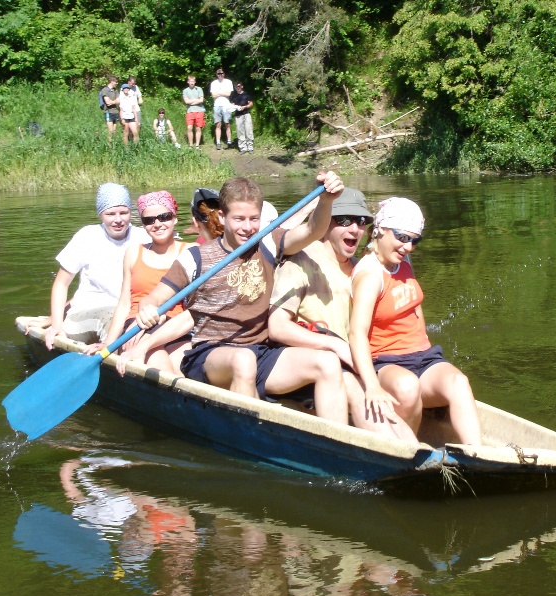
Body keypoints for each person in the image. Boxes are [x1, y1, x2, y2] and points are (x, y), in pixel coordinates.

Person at [135, 174, 350, 425]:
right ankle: (249, 435)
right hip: (210, 355)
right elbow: (154, 298)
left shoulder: (268, 243)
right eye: (238, 219)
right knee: (242, 360)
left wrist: (325, 201)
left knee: (327, 362)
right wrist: (148, 310)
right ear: (222, 217)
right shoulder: (195, 258)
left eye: (253, 219)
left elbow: (313, 230)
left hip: (261, 352)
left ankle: (336, 445)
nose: (247, 227)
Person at [269, 188, 417, 441]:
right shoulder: (301, 261)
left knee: (403, 388)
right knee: (356, 389)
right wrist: (334, 344)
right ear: (325, 222)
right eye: (345, 220)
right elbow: (277, 327)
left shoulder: (363, 268)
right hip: (313, 364)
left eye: (362, 222)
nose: (355, 229)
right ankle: (395, 453)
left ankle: (416, 450)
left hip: (354, 362)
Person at [349, 197, 483, 445]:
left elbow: (415, 309)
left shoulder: (402, 261)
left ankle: (479, 455)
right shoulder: (370, 275)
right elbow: (356, 333)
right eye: (402, 237)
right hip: (385, 361)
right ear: (380, 230)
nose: (407, 246)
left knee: (458, 382)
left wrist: (425, 344)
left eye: (414, 240)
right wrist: (372, 386)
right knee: (408, 387)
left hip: (422, 357)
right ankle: (409, 449)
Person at [84, 191, 195, 376]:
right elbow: (124, 303)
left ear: (175, 218)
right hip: (137, 326)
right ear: (143, 225)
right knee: (163, 370)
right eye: (149, 220)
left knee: (183, 374)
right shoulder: (134, 252)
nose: (157, 224)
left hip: (175, 327)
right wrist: (110, 343)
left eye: (164, 217)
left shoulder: (192, 251)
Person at [44, 183, 151, 350]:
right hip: (84, 316)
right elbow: (61, 284)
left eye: (123, 213)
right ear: (101, 214)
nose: (118, 220)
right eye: (110, 214)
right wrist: (56, 324)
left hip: (128, 312)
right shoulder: (87, 236)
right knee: (111, 316)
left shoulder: (143, 237)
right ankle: (118, 363)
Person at [210, 68, 234, 150]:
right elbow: (213, 95)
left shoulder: (228, 82)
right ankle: (218, 142)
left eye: (221, 73)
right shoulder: (213, 83)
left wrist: (218, 93)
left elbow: (229, 93)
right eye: (218, 74)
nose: (220, 75)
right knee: (218, 124)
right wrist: (223, 93)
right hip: (217, 105)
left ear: (224, 73)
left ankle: (229, 142)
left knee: (227, 124)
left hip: (226, 105)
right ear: (216, 74)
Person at [230, 81, 253, 154]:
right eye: (236, 86)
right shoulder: (234, 95)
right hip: (238, 115)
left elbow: (251, 103)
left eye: (239, 86)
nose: (238, 88)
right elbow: (232, 104)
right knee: (240, 131)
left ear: (242, 86)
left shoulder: (246, 94)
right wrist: (234, 107)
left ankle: (250, 147)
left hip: (246, 113)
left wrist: (245, 107)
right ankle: (243, 147)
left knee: (248, 130)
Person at [182, 75, 205, 148]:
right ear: (188, 82)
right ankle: (191, 145)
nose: (192, 82)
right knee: (189, 127)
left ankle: (197, 145)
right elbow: (186, 101)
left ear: (195, 82)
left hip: (199, 110)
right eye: (190, 81)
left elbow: (201, 100)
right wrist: (196, 100)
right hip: (190, 111)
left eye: (193, 81)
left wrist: (191, 102)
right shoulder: (185, 91)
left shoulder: (199, 89)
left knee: (198, 127)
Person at [100, 76, 120, 141]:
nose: (117, 83)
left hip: (116, 112)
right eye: (116, 82)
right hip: (108, 112)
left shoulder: (115, 90)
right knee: (110, 130)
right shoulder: (105, 90)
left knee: (114, 131)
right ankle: (109, 143)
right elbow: (108, 102)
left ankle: (113, 144)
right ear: (112, 81)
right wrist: (115, 102)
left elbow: (119, 101)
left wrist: (112, 102)